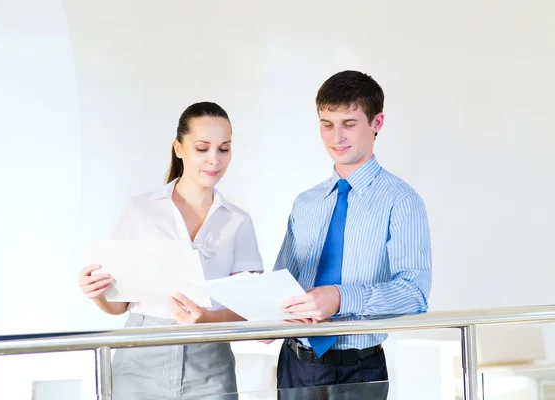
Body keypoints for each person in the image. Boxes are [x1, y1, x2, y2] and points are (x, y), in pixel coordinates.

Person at [78, 102, 263, 400]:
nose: (214, 160)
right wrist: (97, 292)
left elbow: (248, 309)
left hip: (210, 363)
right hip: (141, 356)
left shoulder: (238, 221)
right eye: (202, 148)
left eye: (224, 149)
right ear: (179, 148)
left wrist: (207, 320)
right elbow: (118, 306)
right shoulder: (141, 210)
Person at [273, 71, 432, 399]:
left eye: (349, 123)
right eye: (327, 124)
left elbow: (415, 293)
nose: (336, 136)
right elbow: (282, 282)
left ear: (377, 123)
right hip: (295, 363)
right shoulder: (305, 203)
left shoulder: (401, 201)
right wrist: (267, 317)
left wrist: (341, 298)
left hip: (359, 368)